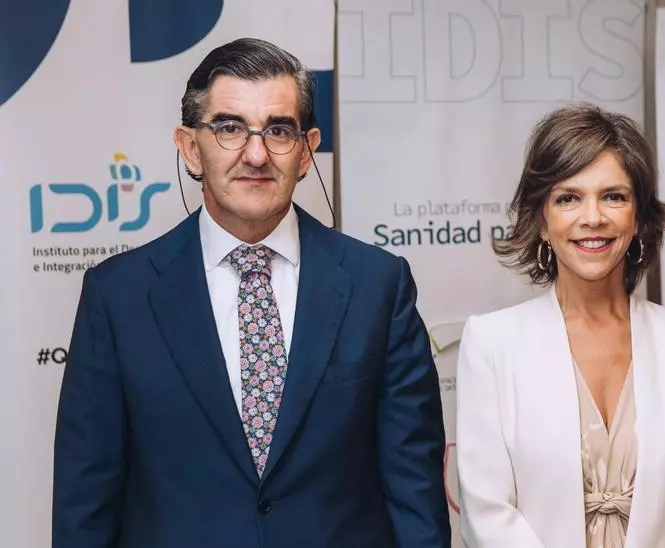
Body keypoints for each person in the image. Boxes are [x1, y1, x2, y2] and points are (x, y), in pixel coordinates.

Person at [52, 38, 450, 548]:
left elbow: (415, 492)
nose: (256, 154)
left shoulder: (378, 285)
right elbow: (85, 501)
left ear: (306, 150)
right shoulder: (118, 296)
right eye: (230, 128)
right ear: (190, 147)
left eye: (278, 130)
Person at [455, 103, 665, 547]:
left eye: (614, 196)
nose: (593, 217)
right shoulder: (491, 344)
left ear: (638, 218)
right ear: (542, 221)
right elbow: (487, 515)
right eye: (568, 198)